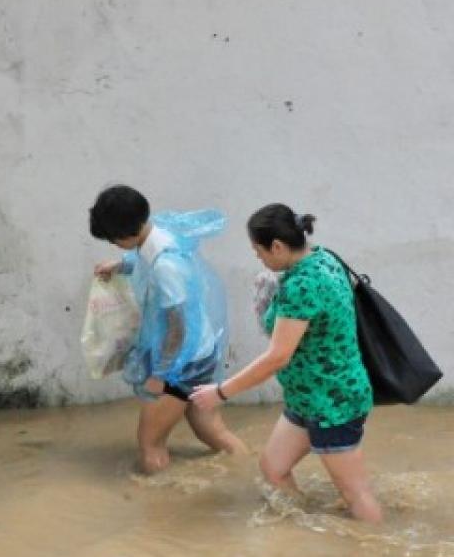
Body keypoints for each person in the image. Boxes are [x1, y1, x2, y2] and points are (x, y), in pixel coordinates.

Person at [191, 204, 382, 522]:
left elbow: (278, 356)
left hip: (332, 404)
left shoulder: (300, 286)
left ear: (277, 246)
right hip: (309, 397)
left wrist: (221, 392)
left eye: (258, 251)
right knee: (273, 469)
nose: (258, 259)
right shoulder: (324, 257)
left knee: (356, 494)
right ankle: (305, 529)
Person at [90, 185, 247, 473]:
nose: (115, 246)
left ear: (126, 235)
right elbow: (142, 258)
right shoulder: (160, 230)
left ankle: (160, 510)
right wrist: (121, 265)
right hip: (202, 352)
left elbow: (178, 327)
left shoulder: (167, 267)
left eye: (114, 241)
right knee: (211, 432)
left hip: (182, 363)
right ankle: (249, 474)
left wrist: (161, 375)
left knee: (150, 442)